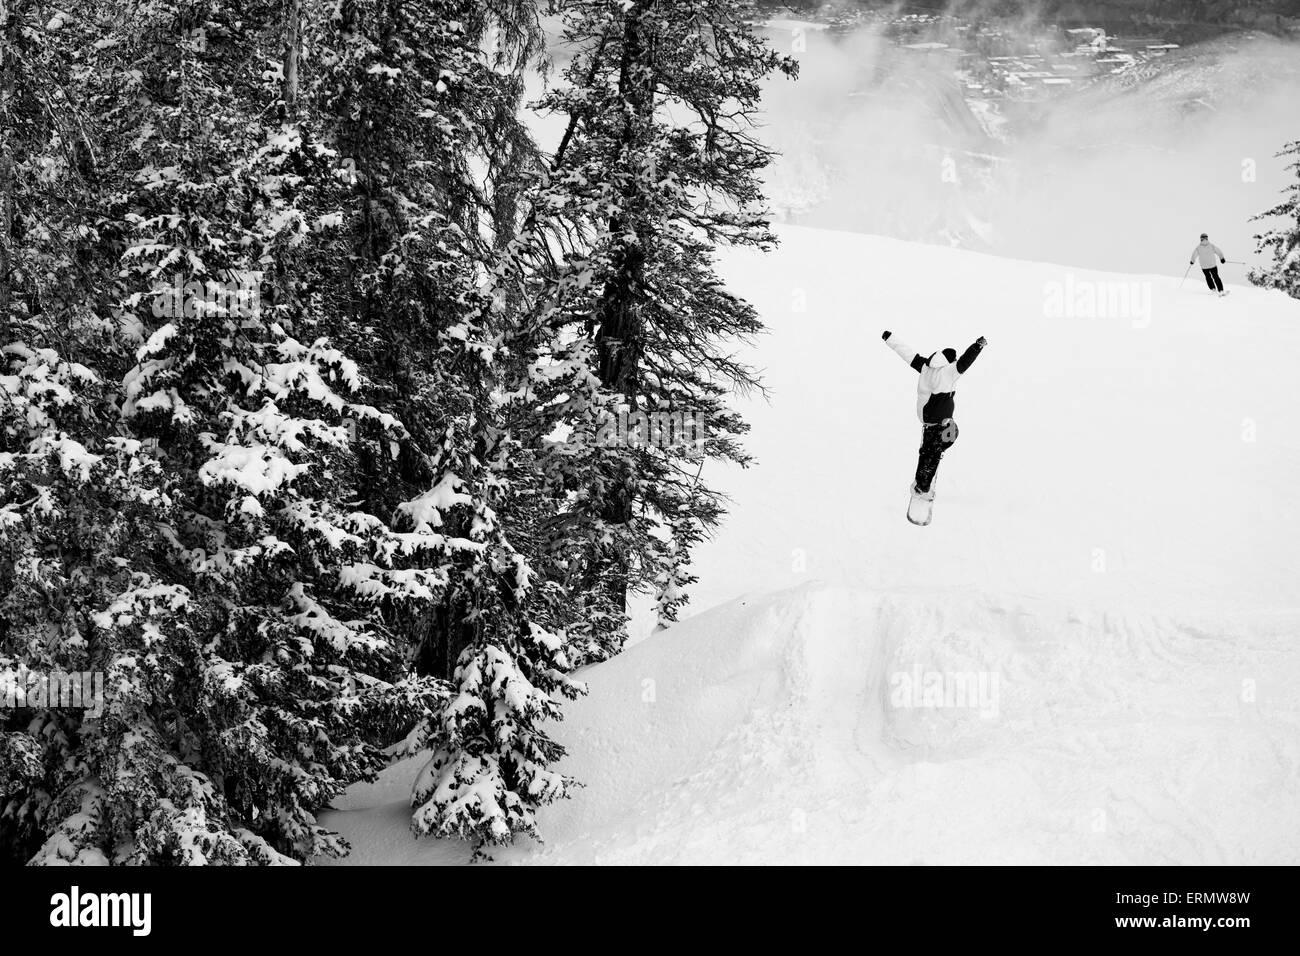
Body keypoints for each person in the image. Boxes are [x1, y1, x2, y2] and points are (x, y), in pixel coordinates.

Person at [882, 331, 987, 497]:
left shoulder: (925, 366)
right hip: (936, 420)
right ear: (951, 361)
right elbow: (965, 361)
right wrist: (977, 346)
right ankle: (922, 486)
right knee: (933, 452)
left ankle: (934, 449)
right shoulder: (950, 371)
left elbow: (906, 352)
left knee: (947, 437)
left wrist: (890, 338)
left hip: (930, 417)